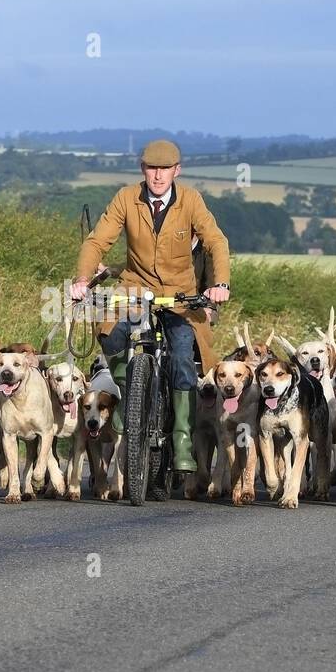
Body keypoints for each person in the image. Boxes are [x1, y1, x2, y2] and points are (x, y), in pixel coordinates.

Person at [70, 139, 231, 472]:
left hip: (180, 295)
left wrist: (219, 285)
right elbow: (98, 240)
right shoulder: (126, 198)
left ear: (177, 170)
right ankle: (127, 400)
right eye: (152, 168)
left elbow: (215, 241)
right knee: (110, 334)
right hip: (134, 289)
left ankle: (183, 438)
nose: (158, 176)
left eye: (165, 169)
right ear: (143, 169)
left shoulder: (191, 200)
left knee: (185, 358)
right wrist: (83, 279)